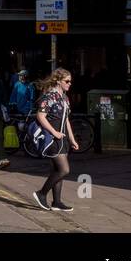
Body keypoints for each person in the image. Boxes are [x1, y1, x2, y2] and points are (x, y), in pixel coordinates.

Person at [31, 68, 79, 213]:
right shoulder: (50, 96)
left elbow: (66, 121)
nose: (69, 84)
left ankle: (57, 202)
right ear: (58, 81)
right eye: (67, 81)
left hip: (62, 138)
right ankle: (41, 194)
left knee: (57, 170)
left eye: (71, 81)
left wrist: (72, 139)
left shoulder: (64, 97)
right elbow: (40, 116)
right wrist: (54, 132)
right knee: (64, 169)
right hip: (52, 138)